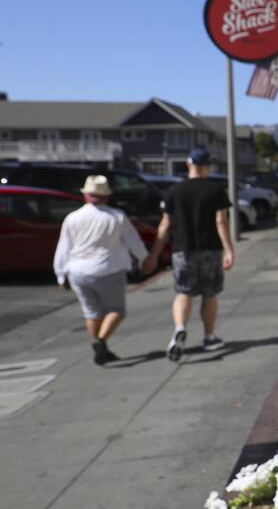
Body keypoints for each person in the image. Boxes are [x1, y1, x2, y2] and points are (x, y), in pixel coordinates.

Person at [143, 147, 235, 361]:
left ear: (188, 165)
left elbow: (165, 225)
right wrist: (229, 249)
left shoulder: (173, 192)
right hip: (211, 249)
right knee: (209, 294)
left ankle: (180, 327)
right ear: (207, 166)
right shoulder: (216, 190)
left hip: (183, 250)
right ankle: (209, 336)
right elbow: (220, 221)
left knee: (183, 292)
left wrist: (154, 255)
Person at [53, 175, 149, 365]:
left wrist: (60, 274)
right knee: (116, 310)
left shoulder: (72, 218)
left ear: (86, 195)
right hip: (109, 269)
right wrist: (144, 259)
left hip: (78, 271)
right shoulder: (116, 216)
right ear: (106, 196)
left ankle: (99, 346)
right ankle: (101, 342)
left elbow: (64, 248)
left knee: (92, 312)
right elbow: (134, 242)